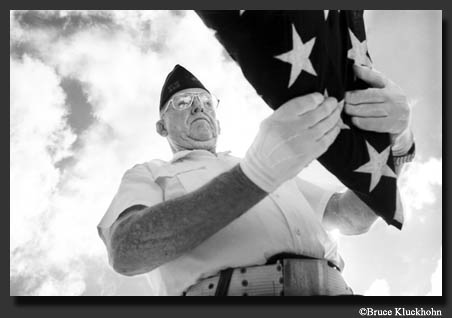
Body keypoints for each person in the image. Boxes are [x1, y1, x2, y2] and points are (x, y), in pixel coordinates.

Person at [97, 64, 414, 296]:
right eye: (182, 102)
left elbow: (351, 217)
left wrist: (395, 146)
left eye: (207, 102)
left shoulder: (269, 164)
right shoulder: (150, 173)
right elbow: (128, 250)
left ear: (218, 120)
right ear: (162, 126)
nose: (198, 106)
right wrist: (255, 176)